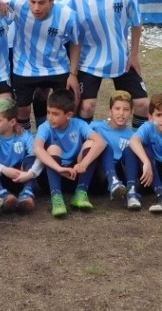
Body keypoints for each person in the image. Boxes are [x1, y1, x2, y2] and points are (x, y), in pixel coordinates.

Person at [67, 0, 149, 129]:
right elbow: (58, 13)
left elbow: (137, 24)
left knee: (143, 104)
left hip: (120, 61)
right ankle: (82, 146)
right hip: (88, 62)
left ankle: (135, 142)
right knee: (86, 107)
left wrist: (134, 54)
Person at [6, 0, 81, 131]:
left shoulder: (67, 15)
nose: (36, 8)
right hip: (24, 68)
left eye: (41, 2)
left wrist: (73, 74)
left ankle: (50, 139)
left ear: (52, 0)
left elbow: (76, 42)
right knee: (22, 111)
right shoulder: (19, 3)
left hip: (57, 68)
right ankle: (27, 145)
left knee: (62, 109)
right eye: (32, 2)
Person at [31, 89, 106, 218]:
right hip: (53, 176)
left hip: (76, 174)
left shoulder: (79, 124)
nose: (50, 117)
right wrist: (58, 168)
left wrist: (83, 163)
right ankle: (56, 197)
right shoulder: (45, 127)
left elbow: (101, 142)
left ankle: (81, 192)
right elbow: (37, 148)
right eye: (48, 112)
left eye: (55, 114)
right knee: (53, 149)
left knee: (90, 144)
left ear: (69, 115)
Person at [90, 91, 140, 209]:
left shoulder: (133, 135)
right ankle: (113, 182)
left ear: (131, 112)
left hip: (121, 173)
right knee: (100, 145)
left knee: (131, 151)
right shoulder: (95, 127)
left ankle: (129, 191)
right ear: (110, 111)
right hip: (99, 174)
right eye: (117, 108)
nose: (121, 113)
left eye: (126, 109)